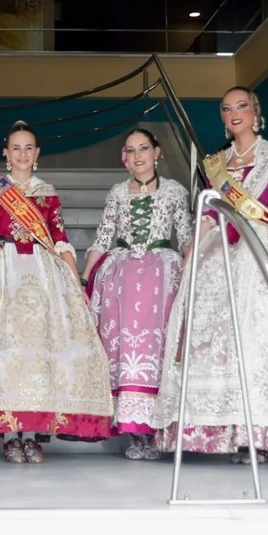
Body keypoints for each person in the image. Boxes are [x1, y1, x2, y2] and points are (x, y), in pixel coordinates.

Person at [154, 86, 268, 460]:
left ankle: (255, 433)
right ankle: (214, 429)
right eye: (227, 109)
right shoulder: (218, 163)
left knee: (253, 325)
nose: (234, 113)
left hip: (261, 243)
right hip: (221, 247)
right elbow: (211, 211)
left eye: (241, 106)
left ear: (255, 111)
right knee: (201, 320)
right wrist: (196, 243)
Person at [0, 121, 114, 463]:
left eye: (28, 148)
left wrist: (76, 282)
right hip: (0, 274)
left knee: (38, 350)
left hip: (42, 274)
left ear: (36, 154)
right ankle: (9, 434)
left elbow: (61, 239)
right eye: (16, 148)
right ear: (6, 154)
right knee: (6, 351)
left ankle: (34, 435)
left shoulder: (48, 193)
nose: (22, 154)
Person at [83, 126, 192, 461]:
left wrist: (191, 269)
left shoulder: (174, 192)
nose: (138, 156)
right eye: (130, 151)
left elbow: (186, 235)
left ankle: (159, 428)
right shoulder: (117, 192)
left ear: (157, 152)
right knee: (126, 347)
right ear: (124, 158)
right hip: (122, 277)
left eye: (144, 148)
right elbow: (103, 237)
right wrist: (85, 277)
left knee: (158, 347)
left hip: (162, 275)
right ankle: (134, 433)